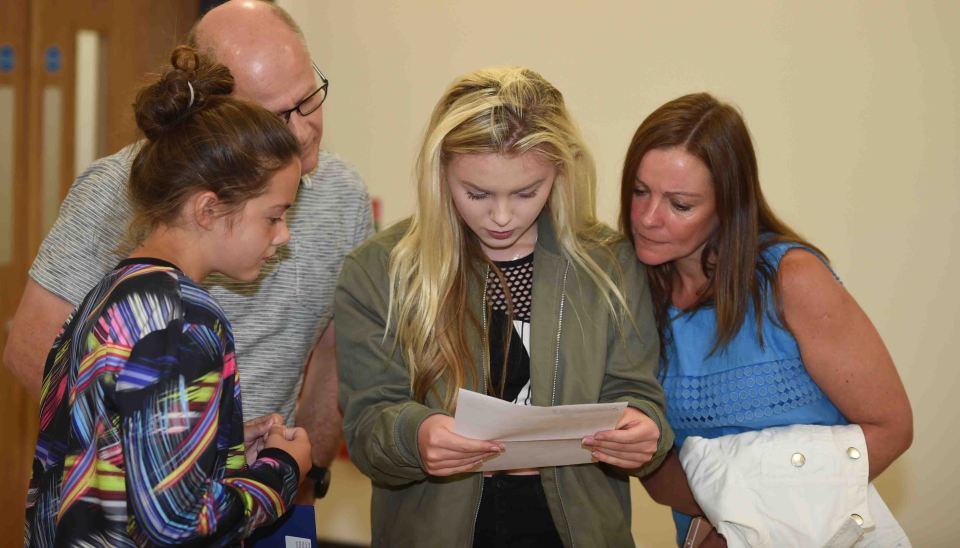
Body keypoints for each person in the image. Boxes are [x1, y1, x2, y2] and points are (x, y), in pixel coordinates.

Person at [3, 0, 371, 488]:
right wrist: (169, 461)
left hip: (264, 489)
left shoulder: (343, 196)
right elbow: (32, 351)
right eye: (275, 116)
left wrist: (304, 476)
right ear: (213, 113)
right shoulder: (120, 190)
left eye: (309, 99)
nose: (303, 132)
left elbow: (331, 354)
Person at [335, 66, 674, 547]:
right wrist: (417, 434)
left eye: (525, 192)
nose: (500, 216)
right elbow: (368, 424)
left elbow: (638, 394)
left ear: (560, 170)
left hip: (579, 529)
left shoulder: (609, 263)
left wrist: (644, 429)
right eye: (476, 193)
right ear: (440, 172)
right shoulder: (380, 270)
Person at [25, 46, 312, 546]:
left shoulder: (108, 295)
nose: (283, 234)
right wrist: (283, 471)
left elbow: (105, 460)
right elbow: (177, 523)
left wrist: (214, 446)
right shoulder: (183, 320)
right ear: (208, 208)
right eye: (273, 215)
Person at [619, 93, 913, 545]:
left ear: (727, 208)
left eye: (680, 205)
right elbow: (653, 462)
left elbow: (891, 427)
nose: (648, 218)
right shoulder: (629, 293)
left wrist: (760, 525)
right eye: (640, 192)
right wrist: (727, 527)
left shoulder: (791, 279)